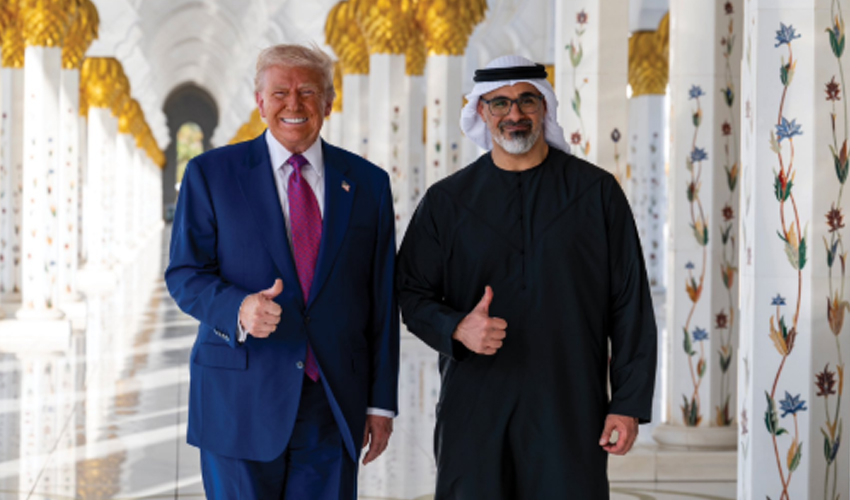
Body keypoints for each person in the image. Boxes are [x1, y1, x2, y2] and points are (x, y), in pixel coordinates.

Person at [396, 55, 657, 499]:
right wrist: (456, 327)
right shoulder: (447, 201)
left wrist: (628, 403)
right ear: (481, 112)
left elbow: (630, 303)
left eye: (526, 100)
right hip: (474, 405)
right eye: (500, 103)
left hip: (569, 404)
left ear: (545, 107)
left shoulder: (596, 193)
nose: (514, 113)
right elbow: (409, 290)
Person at [165, 44, 399, 500]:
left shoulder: (369, 183)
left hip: (332, 400)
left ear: (328, 103)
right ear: (260, 102)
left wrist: (380, 402)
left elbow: (383, 299)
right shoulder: (210, 174)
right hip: (238, 400)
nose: (294, 104)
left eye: (307, 92)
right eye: (279, 93)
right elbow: (185, 273)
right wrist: (238, 308)